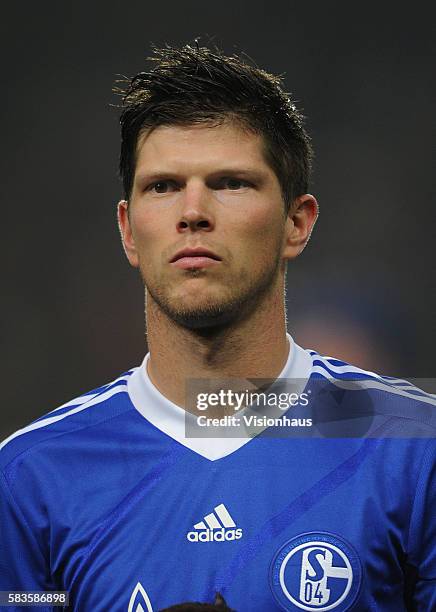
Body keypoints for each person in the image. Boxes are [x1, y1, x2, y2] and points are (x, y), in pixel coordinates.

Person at [0, 43, 434, 612]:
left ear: (297, 223)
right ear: (129, 231)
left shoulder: (413, 448)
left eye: (231, 182)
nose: (193, 211)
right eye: (163, 186)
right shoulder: (31, 477)